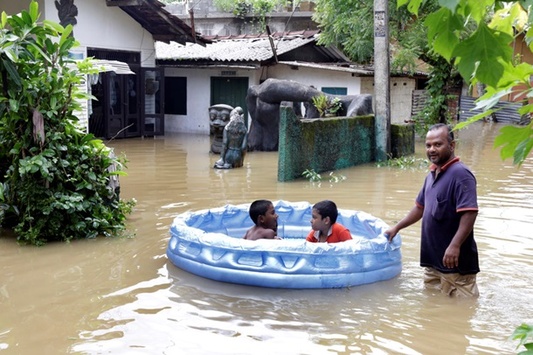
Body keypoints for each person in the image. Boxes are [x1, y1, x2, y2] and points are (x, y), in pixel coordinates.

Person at [385, 123, 480, 297]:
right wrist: (396, 227)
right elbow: (420, 208)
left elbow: (470, 212)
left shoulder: (461, 175)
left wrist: (455, 245)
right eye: (428, 145)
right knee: (432, 307)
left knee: (460, 312)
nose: (432, 149)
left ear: (451, 146)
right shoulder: (432, 174)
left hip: (455, 264)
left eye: (438, 144)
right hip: (432, 261)